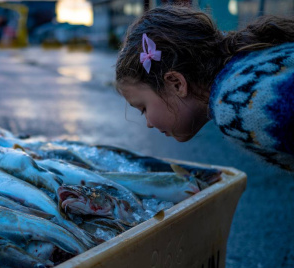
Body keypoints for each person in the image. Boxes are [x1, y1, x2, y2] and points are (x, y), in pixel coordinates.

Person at [115, 5, 294, 171]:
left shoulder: (237, 103)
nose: (148, 123)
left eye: (143, 108)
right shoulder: (246, 66)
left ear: (176, 83)